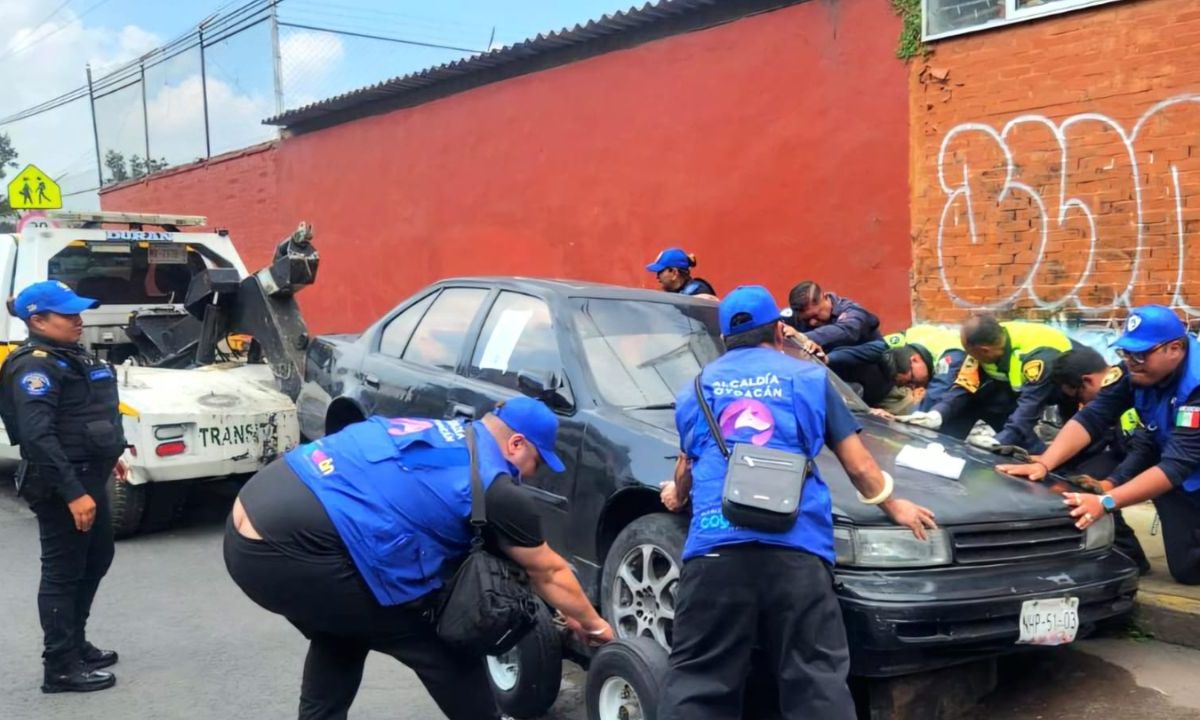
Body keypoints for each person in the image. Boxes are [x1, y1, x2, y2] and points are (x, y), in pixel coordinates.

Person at [224, 397, 614, 720]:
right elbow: (547, 571)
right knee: (433, 639)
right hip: (288, 550)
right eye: (537, 462)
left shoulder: (446, 434)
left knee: (344, 626)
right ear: (516, 445)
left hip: (252, 520)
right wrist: (596, 626)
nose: (531, 474)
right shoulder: (497, 489)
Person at [657, 285, 937, 720]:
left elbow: (687, 465)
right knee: (815, 678)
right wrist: (895, 506)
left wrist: (677, 495)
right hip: (797, 549)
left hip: (714, 550)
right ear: (781, 331)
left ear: (725, 340)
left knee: (699, 679)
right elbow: (860, 466)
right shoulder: (808, 379)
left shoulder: (695, 388)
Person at [998, 306, 1200, 584]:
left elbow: (1179, 463)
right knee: (1189, 571)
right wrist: (1045, 462)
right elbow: (1093, 416)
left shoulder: (1196, 385)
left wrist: (1105, 501)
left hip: (1184, 465)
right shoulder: (1136, 371)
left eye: (1140, 354)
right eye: (1126, 353)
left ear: (1175, 349)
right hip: (1179, 472)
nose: (1131, 361)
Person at [0, 281, 125, 693]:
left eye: (78, 312)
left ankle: (75, 643)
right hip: (60, 482)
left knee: (96, 558)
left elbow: (88, 414)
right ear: (37, 320)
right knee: (63, 572)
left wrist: (114, 453)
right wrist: (73, 492)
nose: (78, 320)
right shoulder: (34, 366)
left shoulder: (70, 355)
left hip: (89, 474)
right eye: (67, 314)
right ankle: (60, 666)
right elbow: (38, 437)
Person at [897, 317, 1072, 452]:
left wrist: (1001, 440)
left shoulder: (1036, 358)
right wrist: (936, 415)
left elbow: (1029, 406)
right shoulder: (987, 343)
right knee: (973, 402)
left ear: (983, 351)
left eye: (969, 353)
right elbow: (965, 385)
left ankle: (1047, 464)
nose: (968, 357)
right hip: (1012, 390)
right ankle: (942, 451)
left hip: (1061, 388)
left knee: (1021, 430)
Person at [784, 280, 882, 353]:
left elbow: (846, 330)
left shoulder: (853, 312)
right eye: (806, 319)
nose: (812, 322)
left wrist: (803, 337)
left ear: (825, 298)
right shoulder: (793, 315)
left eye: (815, 315)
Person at [645, 247, 717, 297]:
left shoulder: (697, 292)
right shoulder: (675, 292)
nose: (657, 278)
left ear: (674, 273)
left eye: (659, 272)